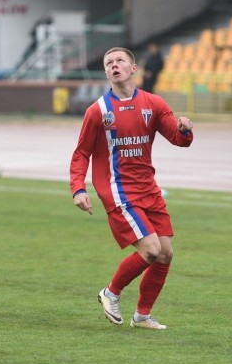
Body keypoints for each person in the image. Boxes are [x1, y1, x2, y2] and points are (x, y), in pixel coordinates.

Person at [70, 47, 194, 330]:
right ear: (106, 72)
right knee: (150, 250)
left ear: (133, 68)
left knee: (165, 253)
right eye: (109, 63)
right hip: (118, 191)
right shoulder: (98, 111)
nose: (114, 65)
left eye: (119, 61)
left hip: (148, 189)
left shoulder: (154, 104)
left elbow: (177, 138)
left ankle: (142, 316)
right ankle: (110, 293)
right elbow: (81, 154)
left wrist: (185, 129)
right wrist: (78, 188)